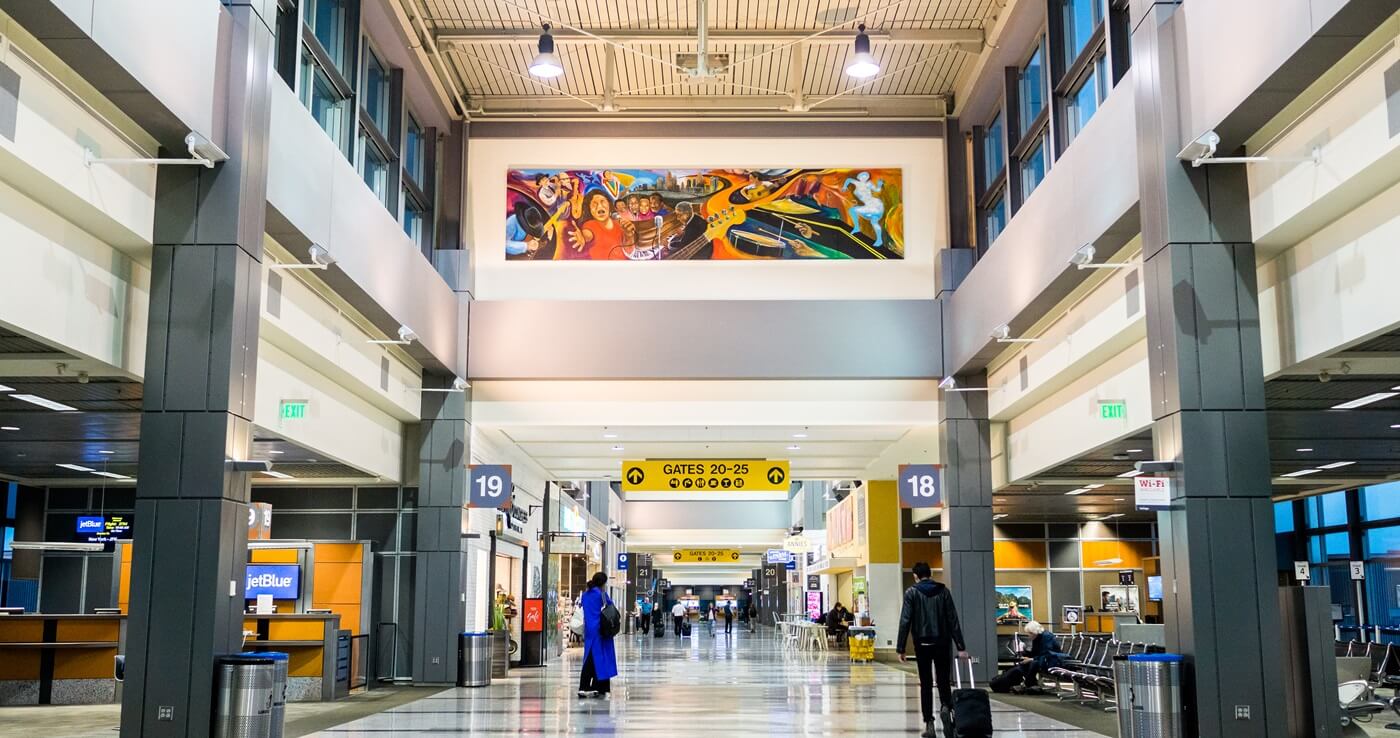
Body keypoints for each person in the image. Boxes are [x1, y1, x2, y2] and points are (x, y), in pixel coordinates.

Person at [896, 562, 969, 738]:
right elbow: (953, 619)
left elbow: (905, 620)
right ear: (931, 573)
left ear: (915, 575)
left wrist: (901, 648)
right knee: (944, 680)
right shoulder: (944, 592)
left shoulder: (911, 592)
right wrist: (961, 646)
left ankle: (929, 723)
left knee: (926, 683)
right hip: (942, 643)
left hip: (922, 644)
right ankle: (946, 708)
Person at [991, 620, 1063, 694]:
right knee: (1024, 665)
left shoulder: (1047, 637)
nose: (1028, 636)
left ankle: (1029, 684)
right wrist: (1024, 652)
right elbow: (1035, 653)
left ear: (1033, 632)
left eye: (1029, 634)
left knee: (1033, 663)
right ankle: (1030, 685)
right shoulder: (1036, 637)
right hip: (1043, 659)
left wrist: (1031, 659)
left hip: (1052, 660)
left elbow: (1048, 654)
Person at [578, 572, 618, 699]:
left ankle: (585, 686)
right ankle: (600, 687)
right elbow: (611, 608)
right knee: (602, 658)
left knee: (589, 658)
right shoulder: (602, 595)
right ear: (603, 583)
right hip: (601, 631)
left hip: (589, 631)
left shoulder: (585, 595)